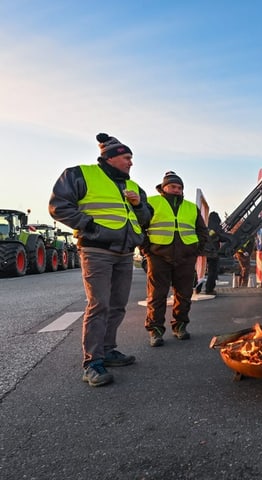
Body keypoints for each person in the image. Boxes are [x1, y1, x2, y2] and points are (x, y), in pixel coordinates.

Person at [48, 132, 151, 387]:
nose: (130, 163)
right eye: (127, 158)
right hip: (97, 251)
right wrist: (90, 226)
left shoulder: (133, 187)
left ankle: (107, 350)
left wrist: (138, 206)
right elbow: (58, 206)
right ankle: (92, 362)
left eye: (131, 158)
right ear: (112, 158)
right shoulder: (80, 174)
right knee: (99, 305)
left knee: (117, 305)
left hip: (125, 253)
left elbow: (146, 218)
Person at [142, 171, 208, 347]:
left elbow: (202, 230)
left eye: (179, 187)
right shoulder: (151, 203)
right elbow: (139, 226)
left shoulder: (190, 207)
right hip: (158, 256)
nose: (177, 190)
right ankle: (155, 331)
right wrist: (146, 249)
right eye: (173, 186)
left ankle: (180, 327)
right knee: (157, 296)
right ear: (163, 187)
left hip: (185, 257)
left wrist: (196, 250)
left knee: (184, 295)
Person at [203, 211, 222, 295]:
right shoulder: (216, 226)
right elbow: (221, 237)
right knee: (212, 271)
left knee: (200, 271)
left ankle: (197, 288)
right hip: (213, 252)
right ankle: (209, 289)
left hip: (203, 251)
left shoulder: (205, 225)